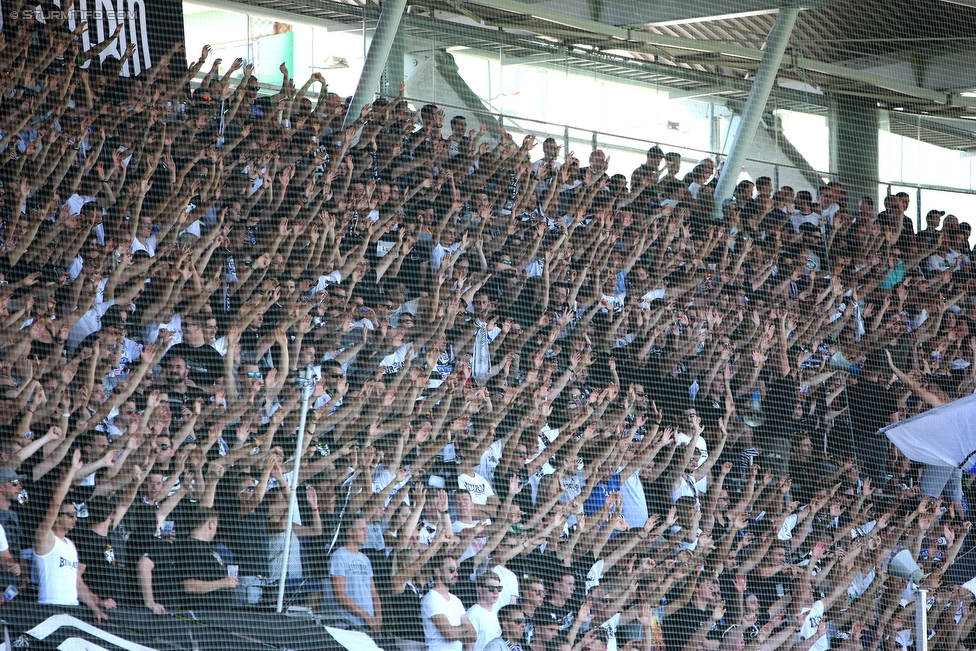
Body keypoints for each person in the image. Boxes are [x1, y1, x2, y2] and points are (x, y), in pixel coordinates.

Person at [175, 507, 239, 611]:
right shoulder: (190, 547)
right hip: (201, 615)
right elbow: (189, 586)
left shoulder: (207, 548)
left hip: (218, 615)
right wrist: (223, 583)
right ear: (211, 524)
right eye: (216, 525)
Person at [330, 515, 383, 632]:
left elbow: (373, 592)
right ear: (349, 531)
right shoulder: (339, 556)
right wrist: (366, 616)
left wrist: (378, 617)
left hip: (369, 626)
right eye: (362, 529)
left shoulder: (365, 559)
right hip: (349, 625)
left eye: (366, 529)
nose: (366, 533)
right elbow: (340, 594)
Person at [422, 554, 477, 651]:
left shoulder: (456, 600)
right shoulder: (431, 598)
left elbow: (473, 635)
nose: (456, 574)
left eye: (457, 570)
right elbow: (449, 634)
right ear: (437, 571)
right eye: (451, 570)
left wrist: (456, 631)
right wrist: (464, 628)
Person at [466, 572, 503, 651]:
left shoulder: (494, 614)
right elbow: (468, 647)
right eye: (491, 588)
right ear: (479, 589)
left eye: (499, 588)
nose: (496, 592)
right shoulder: (473, 614)